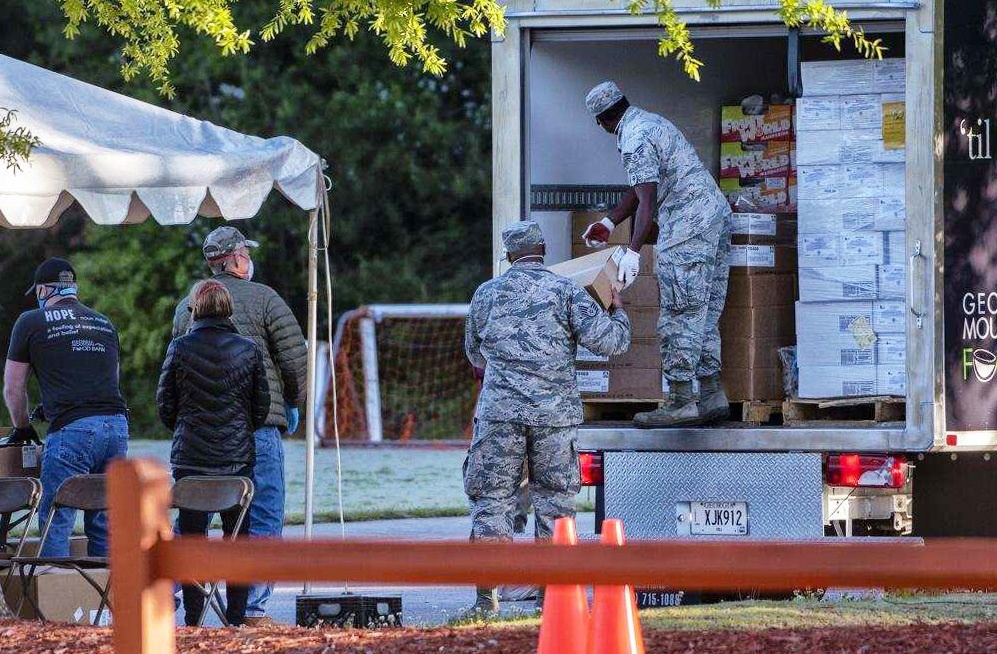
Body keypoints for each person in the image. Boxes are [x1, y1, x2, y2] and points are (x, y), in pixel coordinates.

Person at [463, 220, 632, 616]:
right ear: (543, 250)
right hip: (554, 419)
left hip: (499, 417)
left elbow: (474, 354)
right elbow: (613, 342)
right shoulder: (567, 291)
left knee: (492, 504)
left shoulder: (486, 294)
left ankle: (485, 603)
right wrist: (618, 307)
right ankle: (552, 603)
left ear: (508, 256)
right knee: (555, 507)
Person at [172, 225, 307, 626]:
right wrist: (291, 403)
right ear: (234, 260)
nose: (249, 259)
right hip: (259, 427)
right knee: (261, 516)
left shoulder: (187, 304)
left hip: (198, 436)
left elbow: (175, 367)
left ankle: (166, 596)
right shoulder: (266, 298)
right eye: (246, 253)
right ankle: (251, 611)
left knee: (191, 519)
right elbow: (295, 360)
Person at [581, 80, 734, 427]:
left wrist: (633, 251)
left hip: (688, 226)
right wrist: (610, 221)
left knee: (679, 315)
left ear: (603, 121)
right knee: (704, 312)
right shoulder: (649, 122)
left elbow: (647, 200)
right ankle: (711, 395)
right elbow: (641, 187)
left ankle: (681, 400)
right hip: (714, 216)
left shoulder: (633, 139)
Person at [158, 279, 270, 627]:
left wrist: (188, 426)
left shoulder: (179, 348)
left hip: (191, 462)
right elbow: (261, 407)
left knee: (192, 542)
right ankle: (235, 619)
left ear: (195, 309)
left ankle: (194, 619)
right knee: (238, 541)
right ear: (228, 310)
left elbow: (165, 405)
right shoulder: (248, 349)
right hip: (237, 463)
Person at [2, 258, 128, 556]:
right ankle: (106, 600)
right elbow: (110, 379)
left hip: (73, 430)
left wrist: (22, 427)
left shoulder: (30, 321)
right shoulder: (103, 321)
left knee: (57, 517)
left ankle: (55, 593)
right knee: (103, 515)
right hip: (117, 426)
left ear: (44, 290)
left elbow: (12, 388)